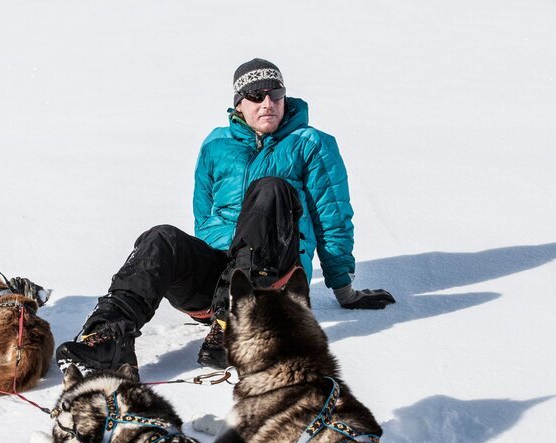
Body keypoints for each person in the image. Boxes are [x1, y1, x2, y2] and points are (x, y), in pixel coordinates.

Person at [56, 58, 395, 376]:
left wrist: (343, 288)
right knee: (161, 238)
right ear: (239, 104)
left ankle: (235, 322)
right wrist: (209, 273)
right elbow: (203, 217)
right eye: (256, 96)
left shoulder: (311, 143)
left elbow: (332, 217)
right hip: (219, 284)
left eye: (275, 94)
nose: (268, 103)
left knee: (271, 189)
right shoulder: (216, 145)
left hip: (275, 278)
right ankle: (108, 337)